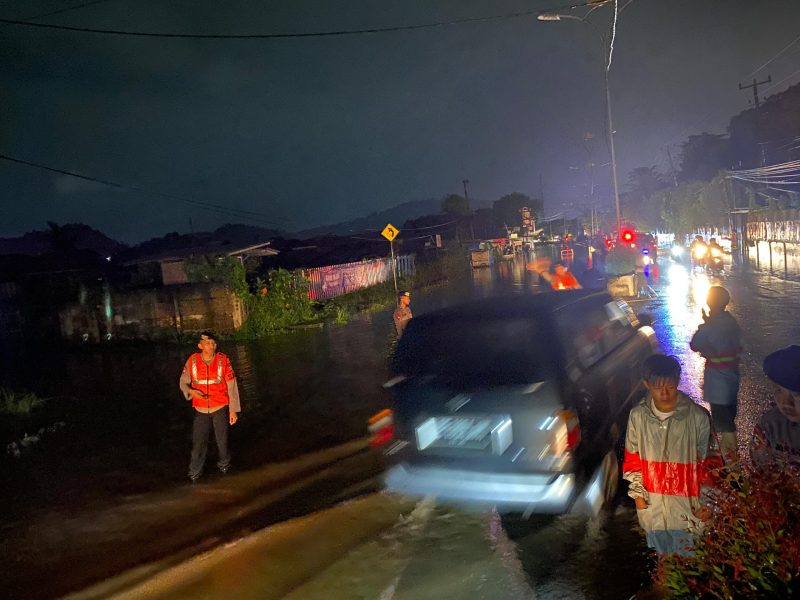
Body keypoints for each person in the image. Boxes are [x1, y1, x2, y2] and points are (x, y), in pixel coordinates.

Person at [623, 354, 717, 556]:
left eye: (670, 387)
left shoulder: (698, 418)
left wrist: (709, 502)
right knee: (664, 565)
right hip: (654, 510)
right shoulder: (638, 417)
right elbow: (632, 459)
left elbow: (711, 463)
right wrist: (638, 495)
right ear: (646, 384)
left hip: (689, 509)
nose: (665, 393)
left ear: (677, 381)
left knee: (691, 566)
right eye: (658, 387)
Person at [179, 331, 241, 482]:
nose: (211, 346)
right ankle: (194, 472)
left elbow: (232, 385)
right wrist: (191, 392)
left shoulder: (223, 360)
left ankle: (224, 465)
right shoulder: (192, 361)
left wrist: (233, 409)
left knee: (222, 441)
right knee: (198, 442)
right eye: (208, 343)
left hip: (219, 407)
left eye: (213, 343)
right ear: (200, 346)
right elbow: (183, 382)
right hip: (200, 409)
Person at [690, 285, 741, 458]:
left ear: (709, 302)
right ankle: (731, 462)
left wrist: (705, 325)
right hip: (732, 377)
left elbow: (694, 344)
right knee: (728, 418)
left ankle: (731, 467)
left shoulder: (710, 327)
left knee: (723, 424)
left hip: (718, 381)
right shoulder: (731, 322)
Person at [752, 345, 800, 465]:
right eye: (778, 390)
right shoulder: (770, 424)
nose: (785, 403)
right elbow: (759, 469)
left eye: (795, 394)